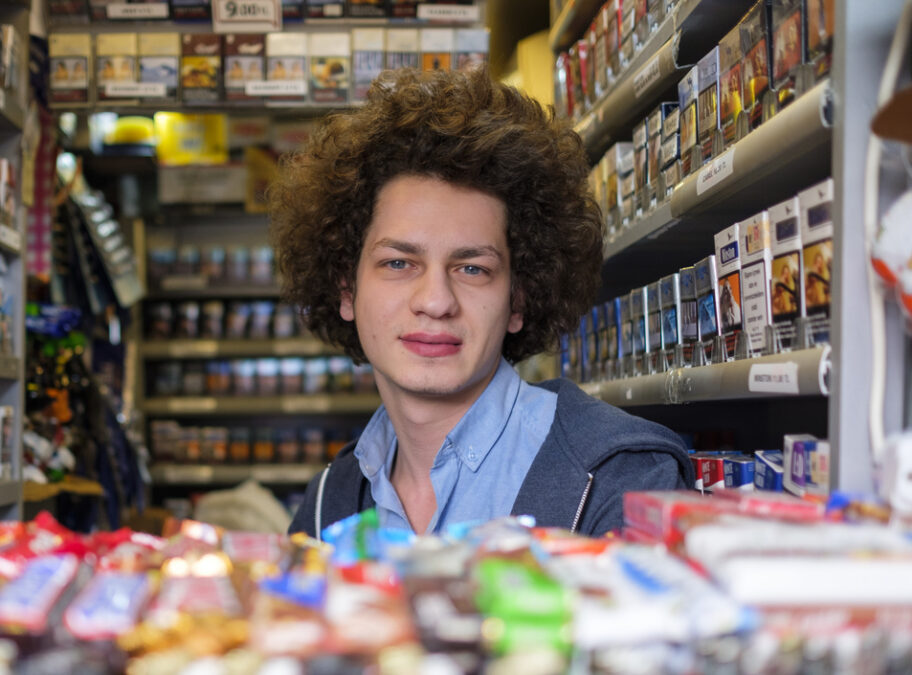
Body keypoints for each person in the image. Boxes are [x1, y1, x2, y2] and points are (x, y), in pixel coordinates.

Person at [273, 68, 693, 538]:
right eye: (398, 263)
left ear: (518, 298)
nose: (435, 301)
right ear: (345, 289)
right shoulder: (329, 502)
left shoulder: (622, 481)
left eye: (472, 269)